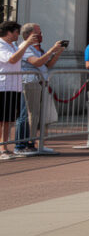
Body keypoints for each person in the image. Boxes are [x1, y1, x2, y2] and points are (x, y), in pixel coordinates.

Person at [16, 23, 66, 155]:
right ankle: (22, 144)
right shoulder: (24, 47)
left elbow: (47, 64)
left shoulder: (36, 48)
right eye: (37, 33)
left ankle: (35, 142)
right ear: (28, 35)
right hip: (30, 82)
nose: (40, 36)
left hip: (40, 83)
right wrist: (51, 50)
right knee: (28, 115)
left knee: (38, 115)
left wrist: (57, 53)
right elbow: (37, 62)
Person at [0, 21, 38, 158]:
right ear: (9, 32)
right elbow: (12, 59)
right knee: (2, 120)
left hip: (14, 86)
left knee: (8, 119)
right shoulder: (1, 45)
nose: (18, 35)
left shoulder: (12, 45)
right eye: (16, 32)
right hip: (3, 86)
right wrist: (27, 44)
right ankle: (2, 147)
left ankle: (4, 145)